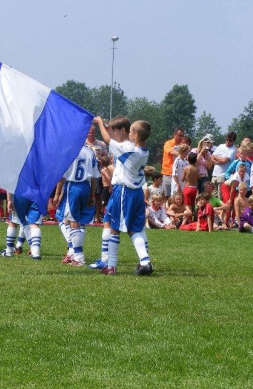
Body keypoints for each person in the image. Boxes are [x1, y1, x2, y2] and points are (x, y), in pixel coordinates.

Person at [94, 116, 153, 275]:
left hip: (124, 192)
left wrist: (100, 123)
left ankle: (111, 266)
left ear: (134, 135)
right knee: (136, 229)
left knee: (114, 228)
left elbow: (108, 140)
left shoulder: (129, 150)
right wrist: (109, 126)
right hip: (137, 193)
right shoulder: (143, 151)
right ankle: (145, 261)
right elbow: (118, 140)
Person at [54, 142, 99, 266]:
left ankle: (78, 255)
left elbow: (62, 176)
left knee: (69, 220)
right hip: (86, 186)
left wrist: (57, 194)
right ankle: (71, 252)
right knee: (77, 221)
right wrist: (92, 194)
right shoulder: (90, 152)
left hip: (72, 186)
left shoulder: (69, 150)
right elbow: (95, 176)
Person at [1, 192, 43, 259]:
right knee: (34, 224)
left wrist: (9, 200)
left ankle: (9, 251)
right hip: (37, 194)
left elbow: (10, 182)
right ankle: (36, 253)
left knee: (14, 222)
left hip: (20, 193)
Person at [210, 131, 237, 196]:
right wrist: (218, 161)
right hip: (214, 174)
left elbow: (224, 160)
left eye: (230, 140)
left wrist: (216, 159)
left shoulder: (233, 150)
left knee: (220, 197)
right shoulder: (221, 146)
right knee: (212, 196)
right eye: (227, 139)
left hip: (223, 175)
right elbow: (212, 157)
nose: (228, 141)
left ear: (233, 141)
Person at [161, 127, 185, 198]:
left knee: (178, 196)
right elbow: (172, 152)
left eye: (182, 136)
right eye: (179, 135)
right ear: (174, 135)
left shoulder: (182, 146)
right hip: (168, 173)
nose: (181, 138)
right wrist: (182, 154)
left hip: (178, 175)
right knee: (166, 195)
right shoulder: (168, 143)